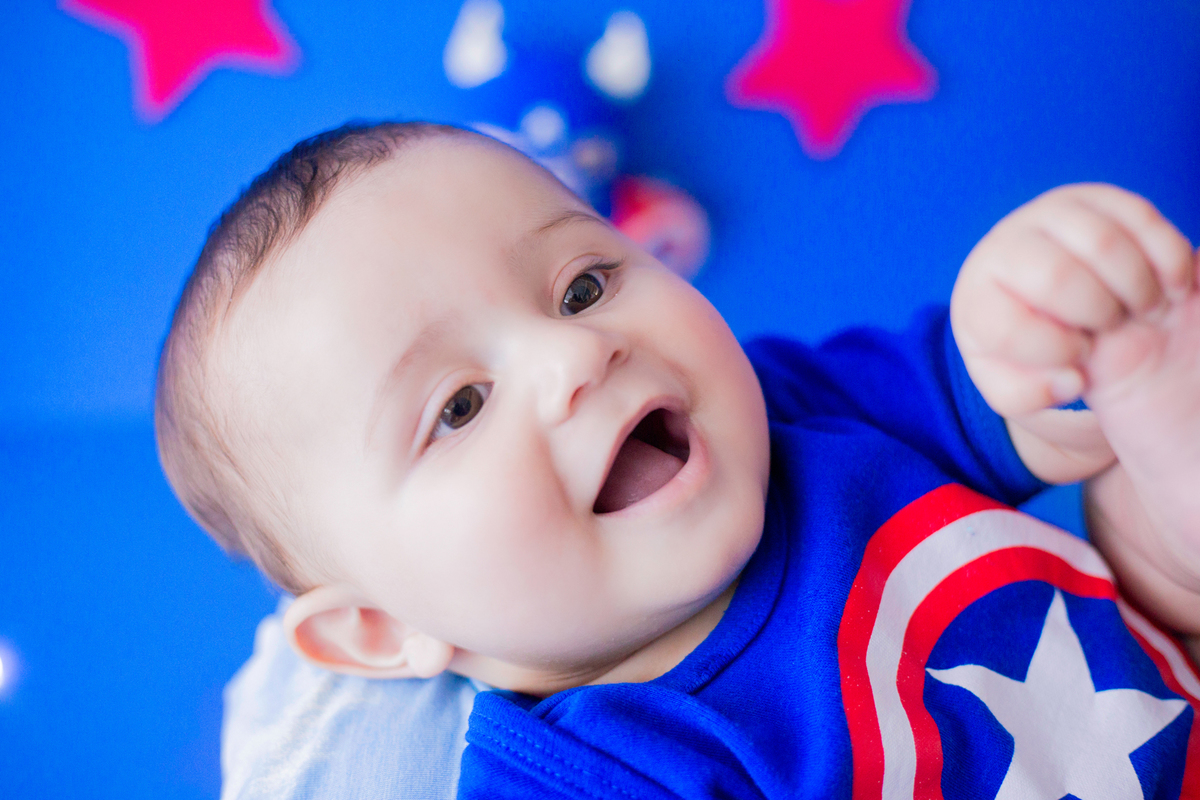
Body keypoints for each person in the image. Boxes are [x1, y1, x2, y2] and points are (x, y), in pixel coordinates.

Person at [156, 120, 1200, 798]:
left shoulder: (791, 407)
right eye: (460, 406)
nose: (575, 353)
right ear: (382, 627)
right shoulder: (588, 773)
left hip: (1170, 653)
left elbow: (1031, 410)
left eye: (583, 285)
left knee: (1141, 449)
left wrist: (1050, 323)